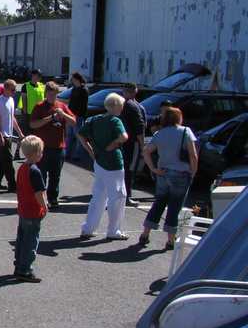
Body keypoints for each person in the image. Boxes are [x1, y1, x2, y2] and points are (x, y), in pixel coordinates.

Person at [137, 106, 199, 250]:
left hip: (163, 173)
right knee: (174, 207)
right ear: (179, 118)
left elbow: (146, 151)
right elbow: (193, 155)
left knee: (159, 203)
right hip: (181, 173)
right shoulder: (186, 131)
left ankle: (145, 234)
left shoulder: (160, 133)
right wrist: (193, 172)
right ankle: (171, 240)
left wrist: (153, 168)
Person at [78, 92, 129, 240]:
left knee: (99, 195)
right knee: (118, 196)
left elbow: (81, 135)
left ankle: (88, 228)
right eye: (121, 105)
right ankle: (113, 230)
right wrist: (113, 144)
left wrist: (90, 151)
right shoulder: (115, 121)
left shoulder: (94, 119)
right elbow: (124, 137)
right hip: (113, 162)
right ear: (116, 106)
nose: (122, 108)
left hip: (99, 160)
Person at [29, 81, 76, 209]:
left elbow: (73, 122)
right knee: (41, 175)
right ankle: (41, 199)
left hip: (59, 147)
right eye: (50, 94)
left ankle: (53, 198)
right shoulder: (39, 106)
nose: (52, 97)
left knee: (55, 176)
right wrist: (50, 118)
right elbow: (33, 124)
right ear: (46, 94)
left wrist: (63, 114)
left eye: (54, 94)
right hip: (43, 148)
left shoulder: (61, 106)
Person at [14, 135, 48, 283]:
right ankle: (25, 269)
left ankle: (19, 265)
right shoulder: (35, 171)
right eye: (40, 151)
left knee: (22, 239)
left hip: (23, 209)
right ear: (35, 153)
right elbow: (38, 193)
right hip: (33, 211)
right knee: (31, 241)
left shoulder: (22, 168)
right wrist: (44, 206)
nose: (42, 154)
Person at [0, 79, 23, 192]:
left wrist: (19, 132)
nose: (14, 92)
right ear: (6, 89)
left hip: (9, 134)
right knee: (8, 161)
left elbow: (12, 118)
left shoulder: (11, 100)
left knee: (2, 160)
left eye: (15, 89)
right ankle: (12, 185)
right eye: (12, 90)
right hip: (3, 135)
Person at [120, 83, 146, 205]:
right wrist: (142, 145)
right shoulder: (133, 106)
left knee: (125, 168)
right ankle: (126, 196)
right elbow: (140, 127)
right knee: (129, 169)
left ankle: (123, 195)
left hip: (123, 141)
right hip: (131, 142)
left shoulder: (123, 104)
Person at [65, 72, 89, 162]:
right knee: (69, 135)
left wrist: (79, 115)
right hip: (70, 115)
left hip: (78, 116)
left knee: (79, 136)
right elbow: (71, 102)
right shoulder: (74, 89)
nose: (72, 81)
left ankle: (77, 155)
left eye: (73, 79)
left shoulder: (84, 90)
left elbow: (84, 106)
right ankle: (67, 153)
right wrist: (68, 113)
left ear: (77, 79)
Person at [17, 69, 45, 134]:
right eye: (38, 76)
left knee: (38, 132)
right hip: (29, 114)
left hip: (40, 113)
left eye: (40, 76)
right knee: (28, 132)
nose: (39, 78)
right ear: (33, 75)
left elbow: (43, 99)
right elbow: (24, 100)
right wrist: (25, 114)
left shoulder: (41, 85)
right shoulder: (25, 86)